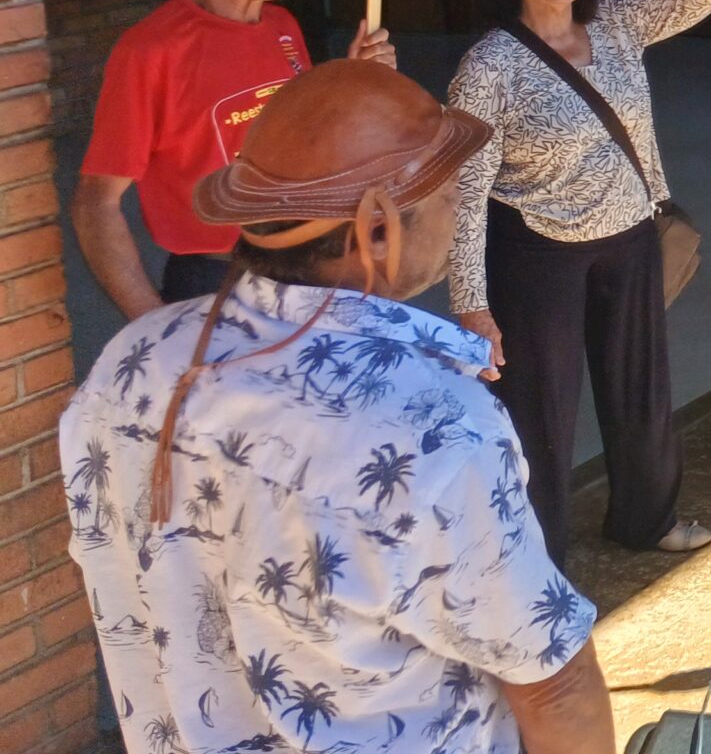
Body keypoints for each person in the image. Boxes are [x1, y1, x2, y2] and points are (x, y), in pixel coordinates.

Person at [62, 61, 614, 754]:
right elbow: (552, 682)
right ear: (377, 229)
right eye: (451, 197)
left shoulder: (132, 361)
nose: (460, 216)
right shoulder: (432, 428)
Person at [442, 0, 711, 558]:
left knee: (640, 387)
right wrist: (471, 304)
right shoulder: (489, 67)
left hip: (629, 234)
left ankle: (648, 518)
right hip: (537, 251)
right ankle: (537, 559)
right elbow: (465, 191)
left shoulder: (617, 21)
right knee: (541, 409)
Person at [71, 0, 392, 318]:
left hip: (305, 263)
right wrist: (148, 321)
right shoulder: (150, 51)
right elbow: (96, 202)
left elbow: (306, 141)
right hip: (217, 278)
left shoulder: (281, 24)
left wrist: (354, 79)